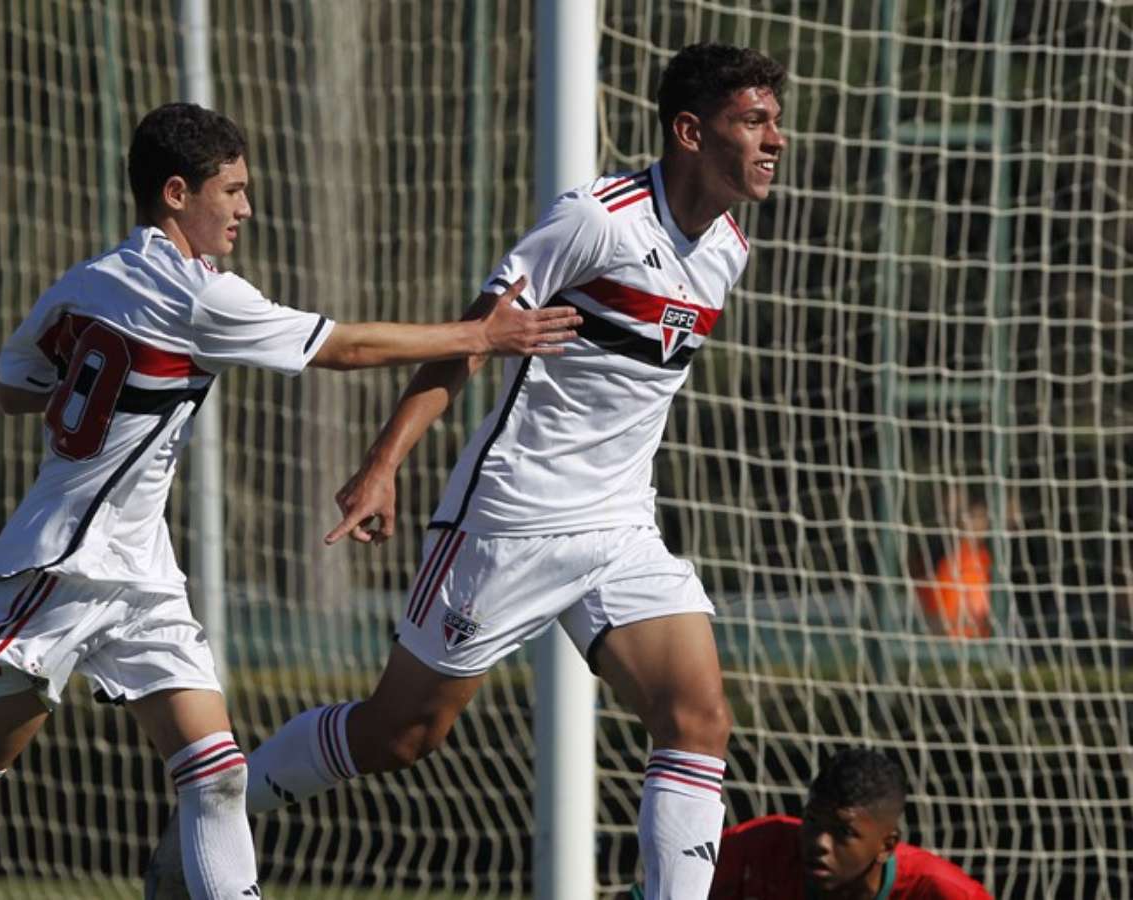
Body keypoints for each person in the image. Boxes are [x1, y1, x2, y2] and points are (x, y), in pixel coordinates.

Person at [146, 43, 786, 899]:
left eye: (774, 121)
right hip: (509, 521)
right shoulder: (597, 218)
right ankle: (214, 816)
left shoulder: (729, 249)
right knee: (400, 737)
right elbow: (471, 339)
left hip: (622, 527)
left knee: (699, 718)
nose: (775, 138)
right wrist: (382, 465)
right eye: (754, 121)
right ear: (688, 131)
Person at [0, 102, 579, 900]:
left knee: (217, 775)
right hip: (60, 567)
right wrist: (481, 336)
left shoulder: (86, 281)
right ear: (176, 193)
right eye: (231, 190)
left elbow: (11, 388)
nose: (245, 208)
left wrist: (109, 397)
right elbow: (345, 347)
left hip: (140, 569)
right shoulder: (200, 296)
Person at [707, 748, 993, 899]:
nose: (820, 842)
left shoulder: (944, 892)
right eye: (812, 821)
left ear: (887, 845)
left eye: (843, 831)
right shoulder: (759, 849)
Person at [916, 491, 992, 638]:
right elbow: (937, 616)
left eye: (983, 518)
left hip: (984, 641)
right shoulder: (950, 564)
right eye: (974, 517)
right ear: (961, 522)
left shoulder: (989, 560)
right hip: (956, 642)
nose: (979, 524)